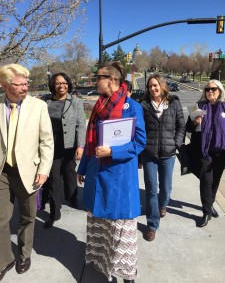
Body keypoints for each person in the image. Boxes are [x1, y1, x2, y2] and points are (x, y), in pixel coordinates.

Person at [77, 61, 146, 283]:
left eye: (98, 77)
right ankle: (102, 263)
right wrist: (83, 167)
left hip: (119, 175)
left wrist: (113, 151)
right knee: (101, 225)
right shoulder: (98, 106)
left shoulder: (132, 106)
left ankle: (126, 273)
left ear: (113, 80)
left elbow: (139, 142)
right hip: (97, 173)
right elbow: (91, 141)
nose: (95, 81)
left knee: (120, 227)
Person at [0, 64, 54, 281]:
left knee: (27, 216)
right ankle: (5, 259)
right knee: (0, 218)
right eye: (19, 84)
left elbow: (47, 141)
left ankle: (24, 254)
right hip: (2, 171)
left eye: (26, 84)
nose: (25, 88)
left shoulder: (38, 106)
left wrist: (43, 170)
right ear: (4, 86)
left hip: (29, 172)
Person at [140, 74, 185, 241]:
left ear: (162, 85)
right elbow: (139, 129)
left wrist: (176, 143)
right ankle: (152, 224)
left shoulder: (174, 103)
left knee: (165, 188)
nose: (153, 88)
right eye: (150, 86)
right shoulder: (143, 105)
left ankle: (163, 205)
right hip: (149, 154)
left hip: (168, 153)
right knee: (151, 190)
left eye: (155, 85)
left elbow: (181, 126)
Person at [41, 72, 86, 229]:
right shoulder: (45, 101)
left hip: (69, 145)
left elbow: (81, 125)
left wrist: (80, 146)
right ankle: (54, 213)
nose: (62, 86)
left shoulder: (75, 102)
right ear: (53, 84)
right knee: (53, 179)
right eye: (58, 83)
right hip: (50, 146)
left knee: (69, 174)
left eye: (65, 83)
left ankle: (72, 197)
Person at [186, 79, 225, 227]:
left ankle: (211, 204)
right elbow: (188, 128)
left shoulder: (224, 107)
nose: (210, 92)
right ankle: (206, 212)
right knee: (206, 181)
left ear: (219, 91)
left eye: (213, 89)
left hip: (222, 152)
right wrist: (195, 122)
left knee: (216, 180)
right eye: (207, 89)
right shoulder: (198, 107)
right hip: (204, 151)